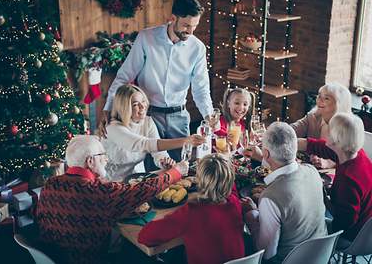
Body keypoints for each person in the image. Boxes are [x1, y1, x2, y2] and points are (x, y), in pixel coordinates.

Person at [36, 135, 188, 264]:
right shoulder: (98, 192)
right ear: (90, 161)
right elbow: (140, 191)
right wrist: (176, 172)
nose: (106, 160)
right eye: (103, 155)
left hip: (53, 258)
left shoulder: (50, 184)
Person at [99, 0, 214, 161]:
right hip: (149, 116)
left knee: (180, 167)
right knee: (153, 171)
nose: (190, 31)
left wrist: (208, 115)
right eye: (186, 25)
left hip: (179, 117)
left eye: (194, 26)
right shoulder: (147, 38)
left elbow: (201, 89)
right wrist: (108, 107)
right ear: (173, 18)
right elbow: (125, 76)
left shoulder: (197, 48)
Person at [138, 153, 245, 264]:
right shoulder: (234, 202)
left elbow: (144, 237)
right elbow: (231, 189)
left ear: (199, 180)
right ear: (230, 179)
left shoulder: (191, 213)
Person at [244, 122, 327, 263]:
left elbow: (266, 253)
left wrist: (252, 214)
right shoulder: (312, 171)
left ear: (265, 153)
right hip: (322, 254)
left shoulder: (270, 198)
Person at [101, 84, 205, 181]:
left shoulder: (147, 122)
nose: (142, 107)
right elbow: (143, 144)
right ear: (124, 108)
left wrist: (163, 162)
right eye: (135, 104)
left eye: (143, 101)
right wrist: (186, 141)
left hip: (133, 180)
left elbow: (158, 152)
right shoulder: (112, 128)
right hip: (108, 181)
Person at [298, 113, 372, 243]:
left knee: (303, 226)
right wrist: (295, 142)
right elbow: (323, 147)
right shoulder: (355, 153)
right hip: (366, 225)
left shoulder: (348, 180)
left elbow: (344, 223)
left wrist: (325, 199)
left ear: (336, 140)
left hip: (354, 236)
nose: (327, 132)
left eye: (330, 130)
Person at [291, 83, 352, 168]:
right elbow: (292, 130)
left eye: (326, 98)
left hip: (334, 171)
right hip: (309, 167)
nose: (319, 101)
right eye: (319, 96)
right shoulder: (313, 116)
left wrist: (327, 163)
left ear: (339, 103)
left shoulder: (348, 126)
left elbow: (345, 156)